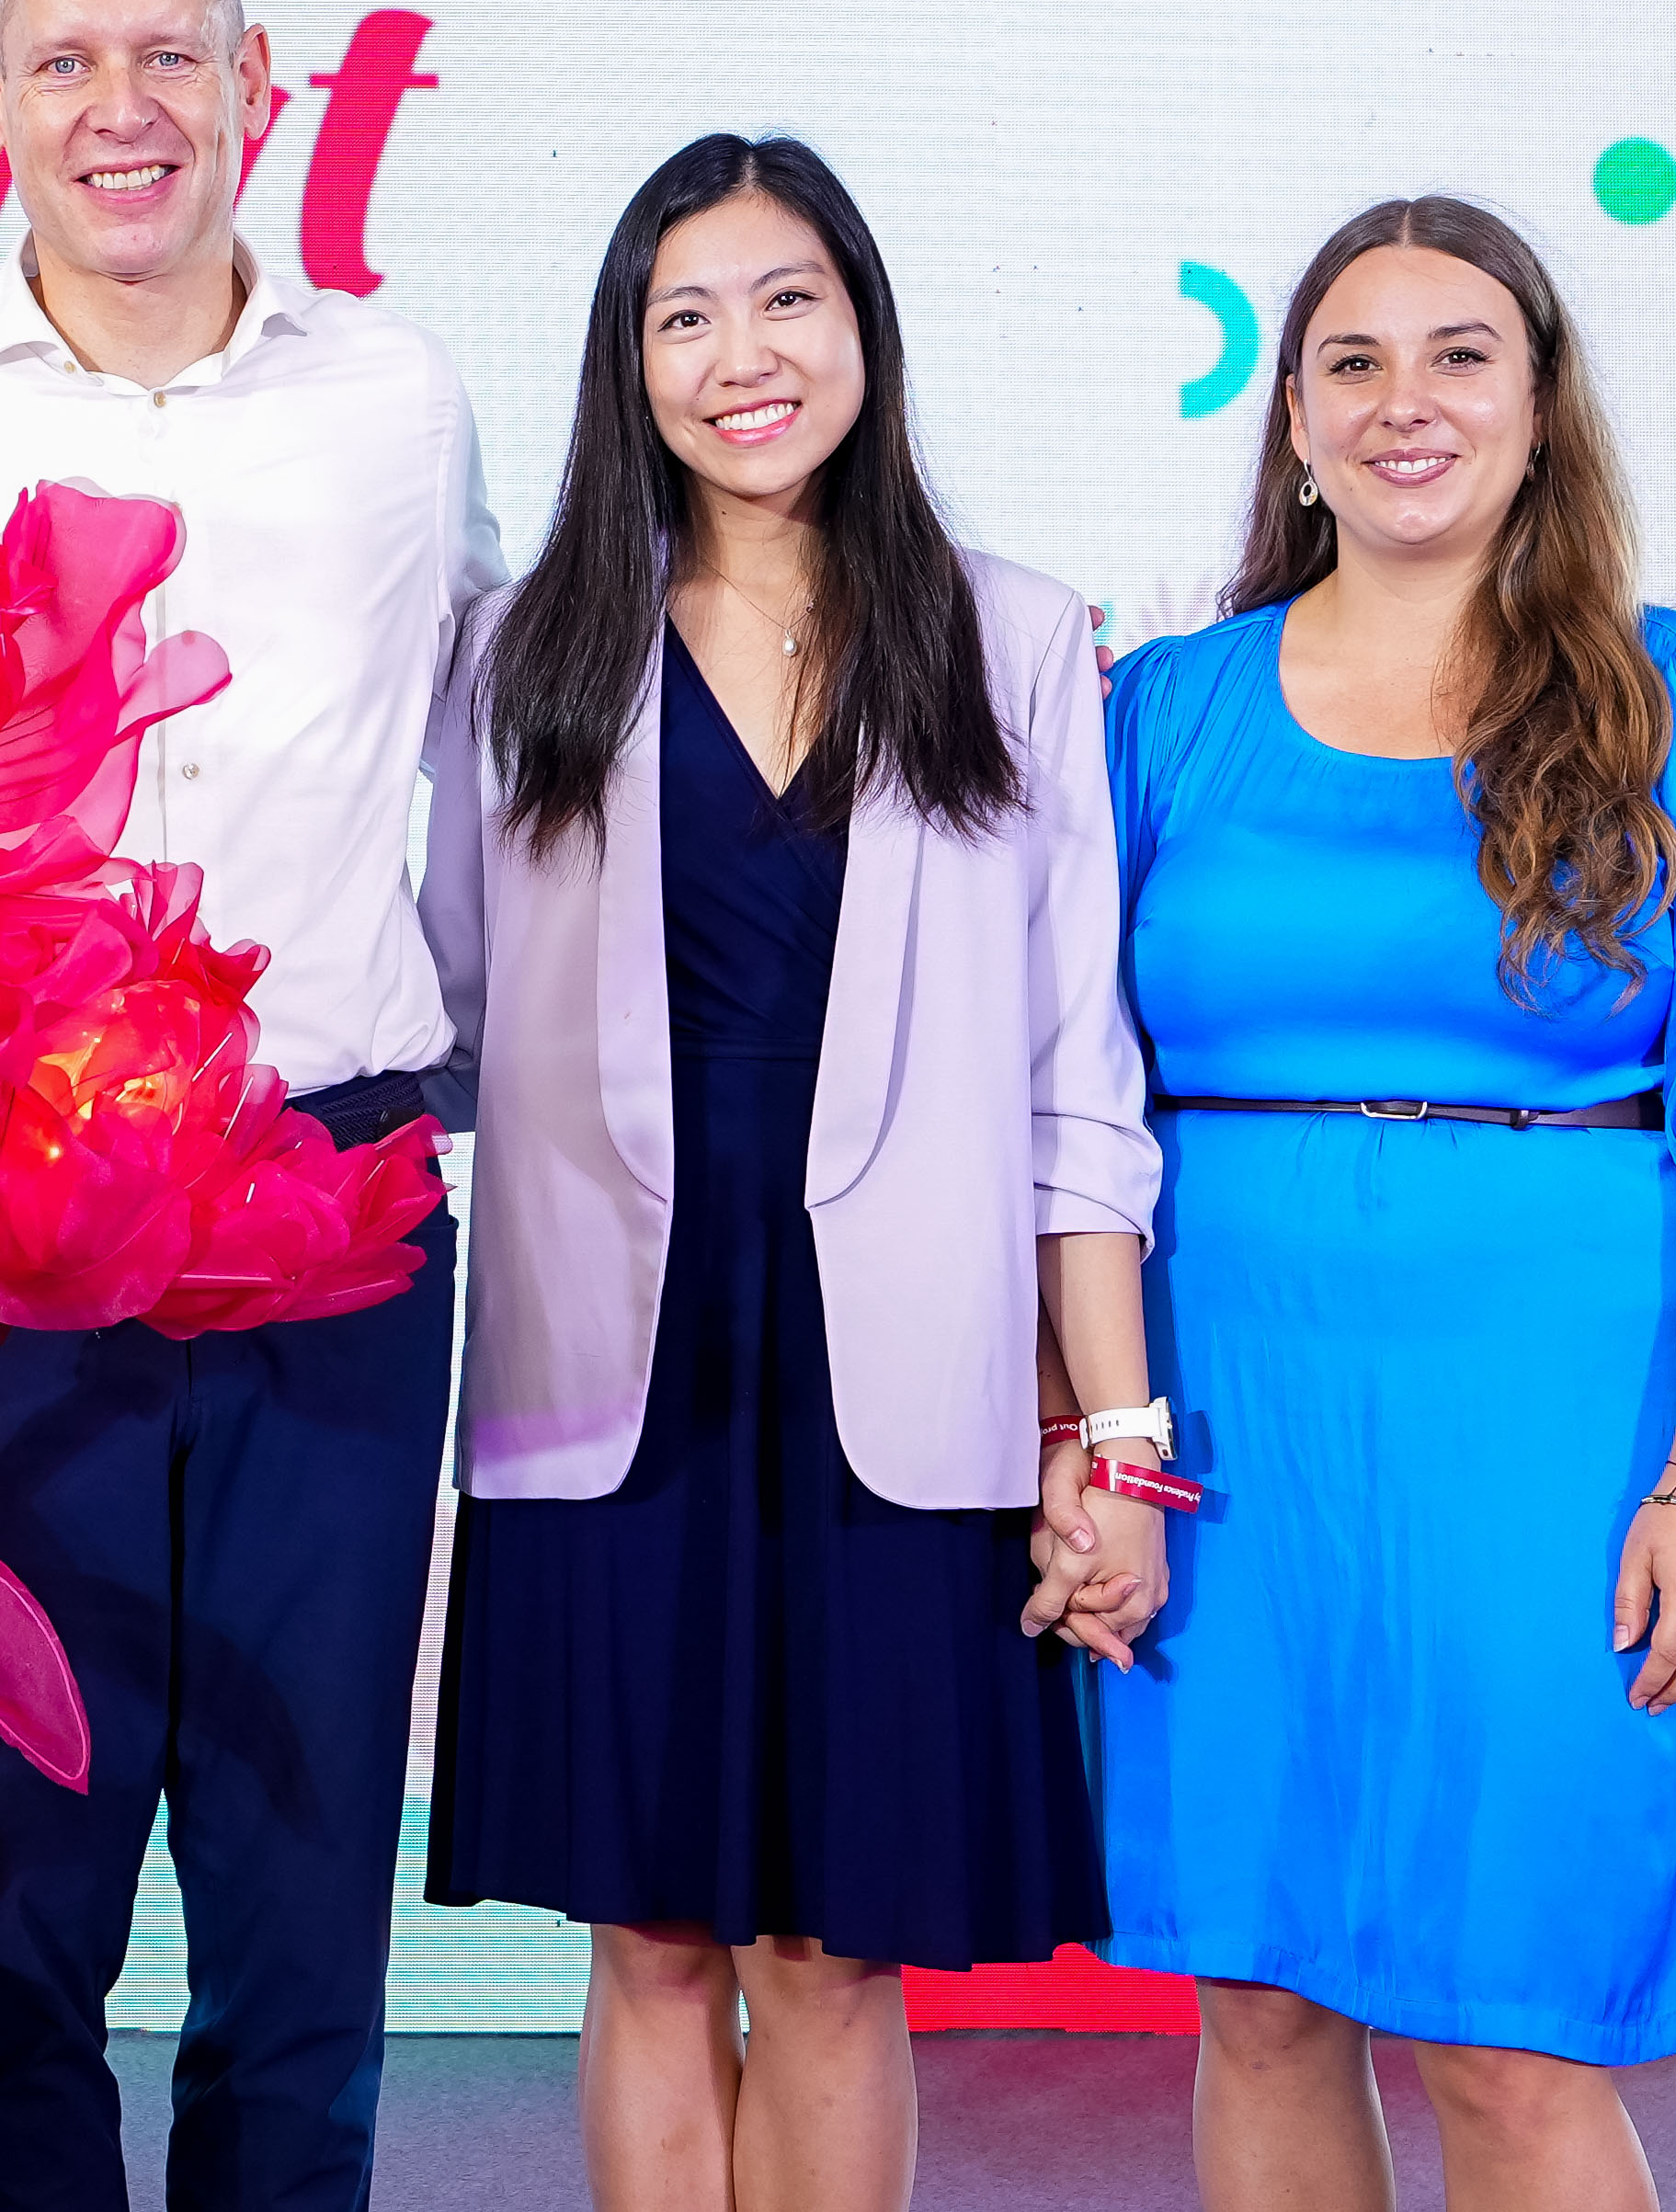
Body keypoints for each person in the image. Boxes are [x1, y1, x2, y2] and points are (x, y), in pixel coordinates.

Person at [0, 0, 504, 2212]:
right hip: (0, 1230)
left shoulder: (401, 403)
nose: (128, 107)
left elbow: (516, 745)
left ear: (258, 86)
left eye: (172, 51)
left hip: (334, 1195)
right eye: (69, 60)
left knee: (307, 1890)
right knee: (12, 1889)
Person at [416, 135, 1168, 2210]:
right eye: (683, 316)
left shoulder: (1013, 642)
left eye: (783, 302)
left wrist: (1106, 1436)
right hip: (610, 1383)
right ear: (625, 363)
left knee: (835, 1959)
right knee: (648, 1945)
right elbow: (460, 1015)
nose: (737, 357)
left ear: (862, 328)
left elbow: (1071, 1080)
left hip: (903, 1390)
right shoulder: (515, 661)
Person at [1093, 196, 1676, 2211]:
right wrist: (1100, 1450)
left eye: (1458, 358)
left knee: (1506, 2032)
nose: (1400, 403)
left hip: (1557, 1420)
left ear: (1538, 412)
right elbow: (1067, 1122)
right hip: (1233, 1426)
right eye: (1351, 361)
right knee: (1254, 1994)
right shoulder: (1164, 711)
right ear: (1292, 421)